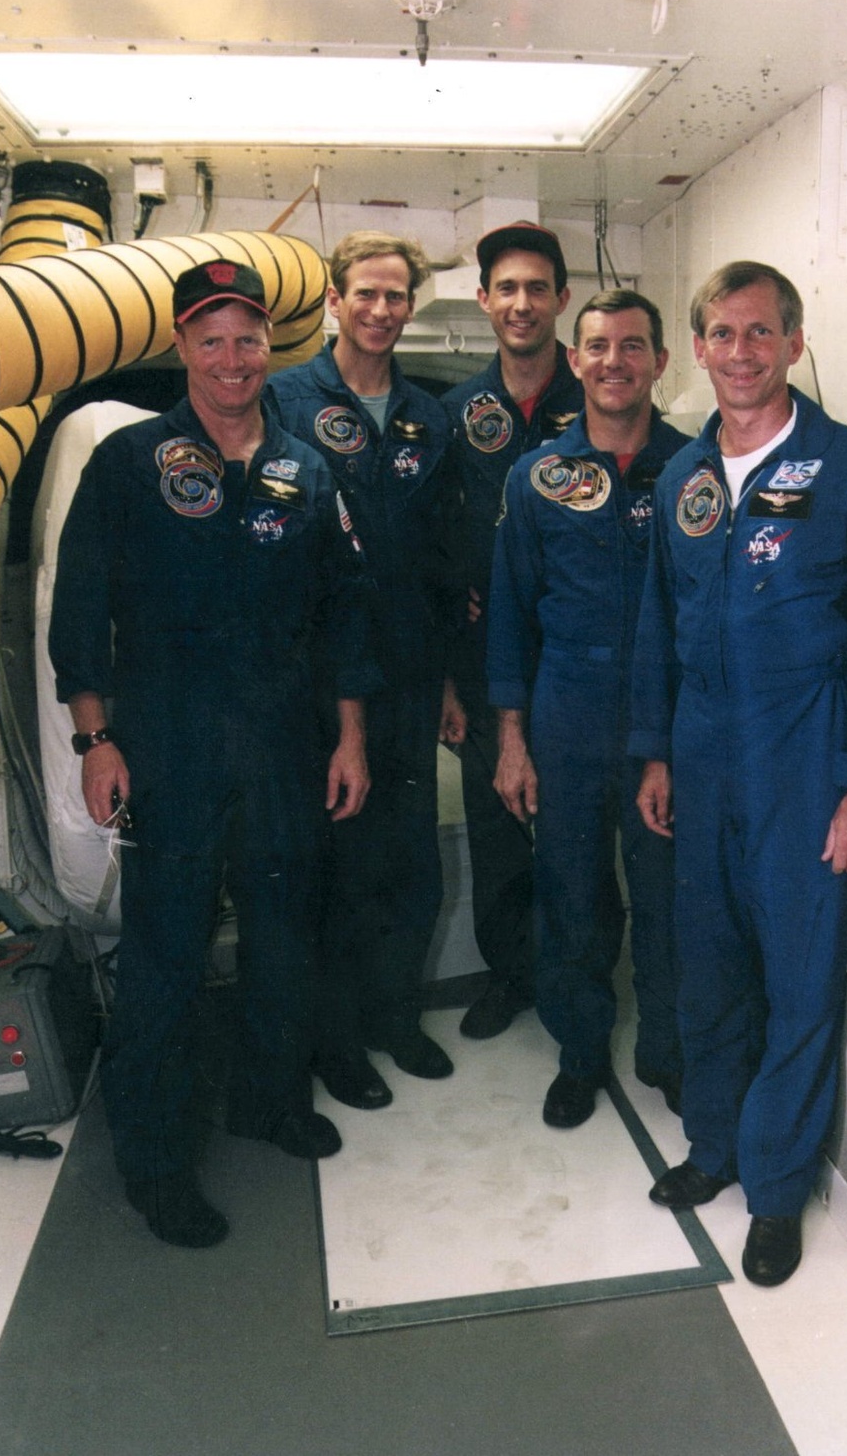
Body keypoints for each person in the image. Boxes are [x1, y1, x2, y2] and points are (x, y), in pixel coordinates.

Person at [49, 260, 375, 1248]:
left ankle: (268, 1102)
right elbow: (79, 612)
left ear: (267, 347)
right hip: (169, 749)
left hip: (281, 746)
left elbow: (345, 616)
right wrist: (96, 740)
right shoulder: (129, 463)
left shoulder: (305, 467)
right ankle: (153, 1166)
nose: (231, 358)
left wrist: (352, 737)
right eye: (211, 338)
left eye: (247, 338)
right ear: (182, 348)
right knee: (166, 959)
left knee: (282, 941)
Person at [632, 260, 847, 1286]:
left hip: (804, 766)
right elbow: (659, 626)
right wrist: (659, 755)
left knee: (798, 989)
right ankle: (712, 1148)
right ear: (700, 349)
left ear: (794, 344)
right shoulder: (684, 479)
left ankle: (770, 1191)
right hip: (705, 764)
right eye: (721, 333)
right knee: (708, 972)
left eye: (761, 332)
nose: (742, 352)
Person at [266, 231, 466, 1111]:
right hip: (318, 686)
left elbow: (446, 560)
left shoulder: (431, 415)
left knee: (410, 861)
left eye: (397, 295)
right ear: (335, 302)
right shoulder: (283, 398)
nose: (382, 310)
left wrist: (454, 685)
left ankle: (394, 1017)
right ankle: (337, 1041)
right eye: (366, 294)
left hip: (415, 677)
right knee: (339, 868)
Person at [487, 289, 690, 1128]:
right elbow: (509, 612)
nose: (614, 361)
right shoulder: (537, 477)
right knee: (571, 890)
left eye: (632, 346)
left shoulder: (696, 470)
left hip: (669, 720)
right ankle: (579, 1051)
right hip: (566, 709)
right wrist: (512, 739)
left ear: (660, 362)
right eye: (598, 346)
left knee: (669, 893)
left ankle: (669, 1052)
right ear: (575, 361)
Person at [443, 220, 583, 1041]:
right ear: (484, 299)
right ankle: (510, 976)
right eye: (508, 288)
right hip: (481, 654)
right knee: (498, 831)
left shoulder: (600, 397)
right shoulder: (456, 413)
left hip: (573, 660)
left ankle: (575, 988)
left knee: (573, 836)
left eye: (538, 288)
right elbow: (435, 549)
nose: (522, 304)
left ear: (562, 300)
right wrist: (448, 679)